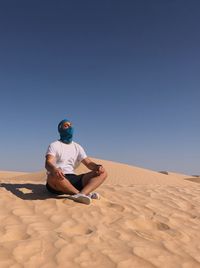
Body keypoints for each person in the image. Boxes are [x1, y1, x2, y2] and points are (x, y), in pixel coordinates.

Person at [45, 118, 107, 205]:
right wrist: (54, 169)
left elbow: (89, 163)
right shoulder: (54, 145)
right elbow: (48, 163)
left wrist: (97, 166)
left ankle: (81, 194)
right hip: (57, 180)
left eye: (71, 125)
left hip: (73, 178)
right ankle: (81, 194)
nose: (70, 127)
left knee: (103, 173)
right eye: (66, 125)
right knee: (53, 174)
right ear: (60, 129)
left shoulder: (77, 147)